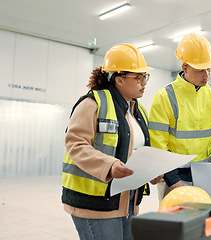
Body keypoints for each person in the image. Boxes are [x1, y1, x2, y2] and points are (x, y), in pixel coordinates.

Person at [62, 43, 156, 240]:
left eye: (144, 77)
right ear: (119, 80)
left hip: (126, 201)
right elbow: (75, 144)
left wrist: (153, 172)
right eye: (138, 77)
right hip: (95, 202)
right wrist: (109, 165)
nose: (144, 82)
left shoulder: (139, 113)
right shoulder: (93, 103)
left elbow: (136, 152)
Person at [148, 33, 211, 200]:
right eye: (200, 69)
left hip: (205, 175)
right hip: (174, 178)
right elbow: (158, 143)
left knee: (204, 223)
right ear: (184, 67)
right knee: (175, 224)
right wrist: (173, 180)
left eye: (209, 68)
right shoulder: (165, 97)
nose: (206, 74)